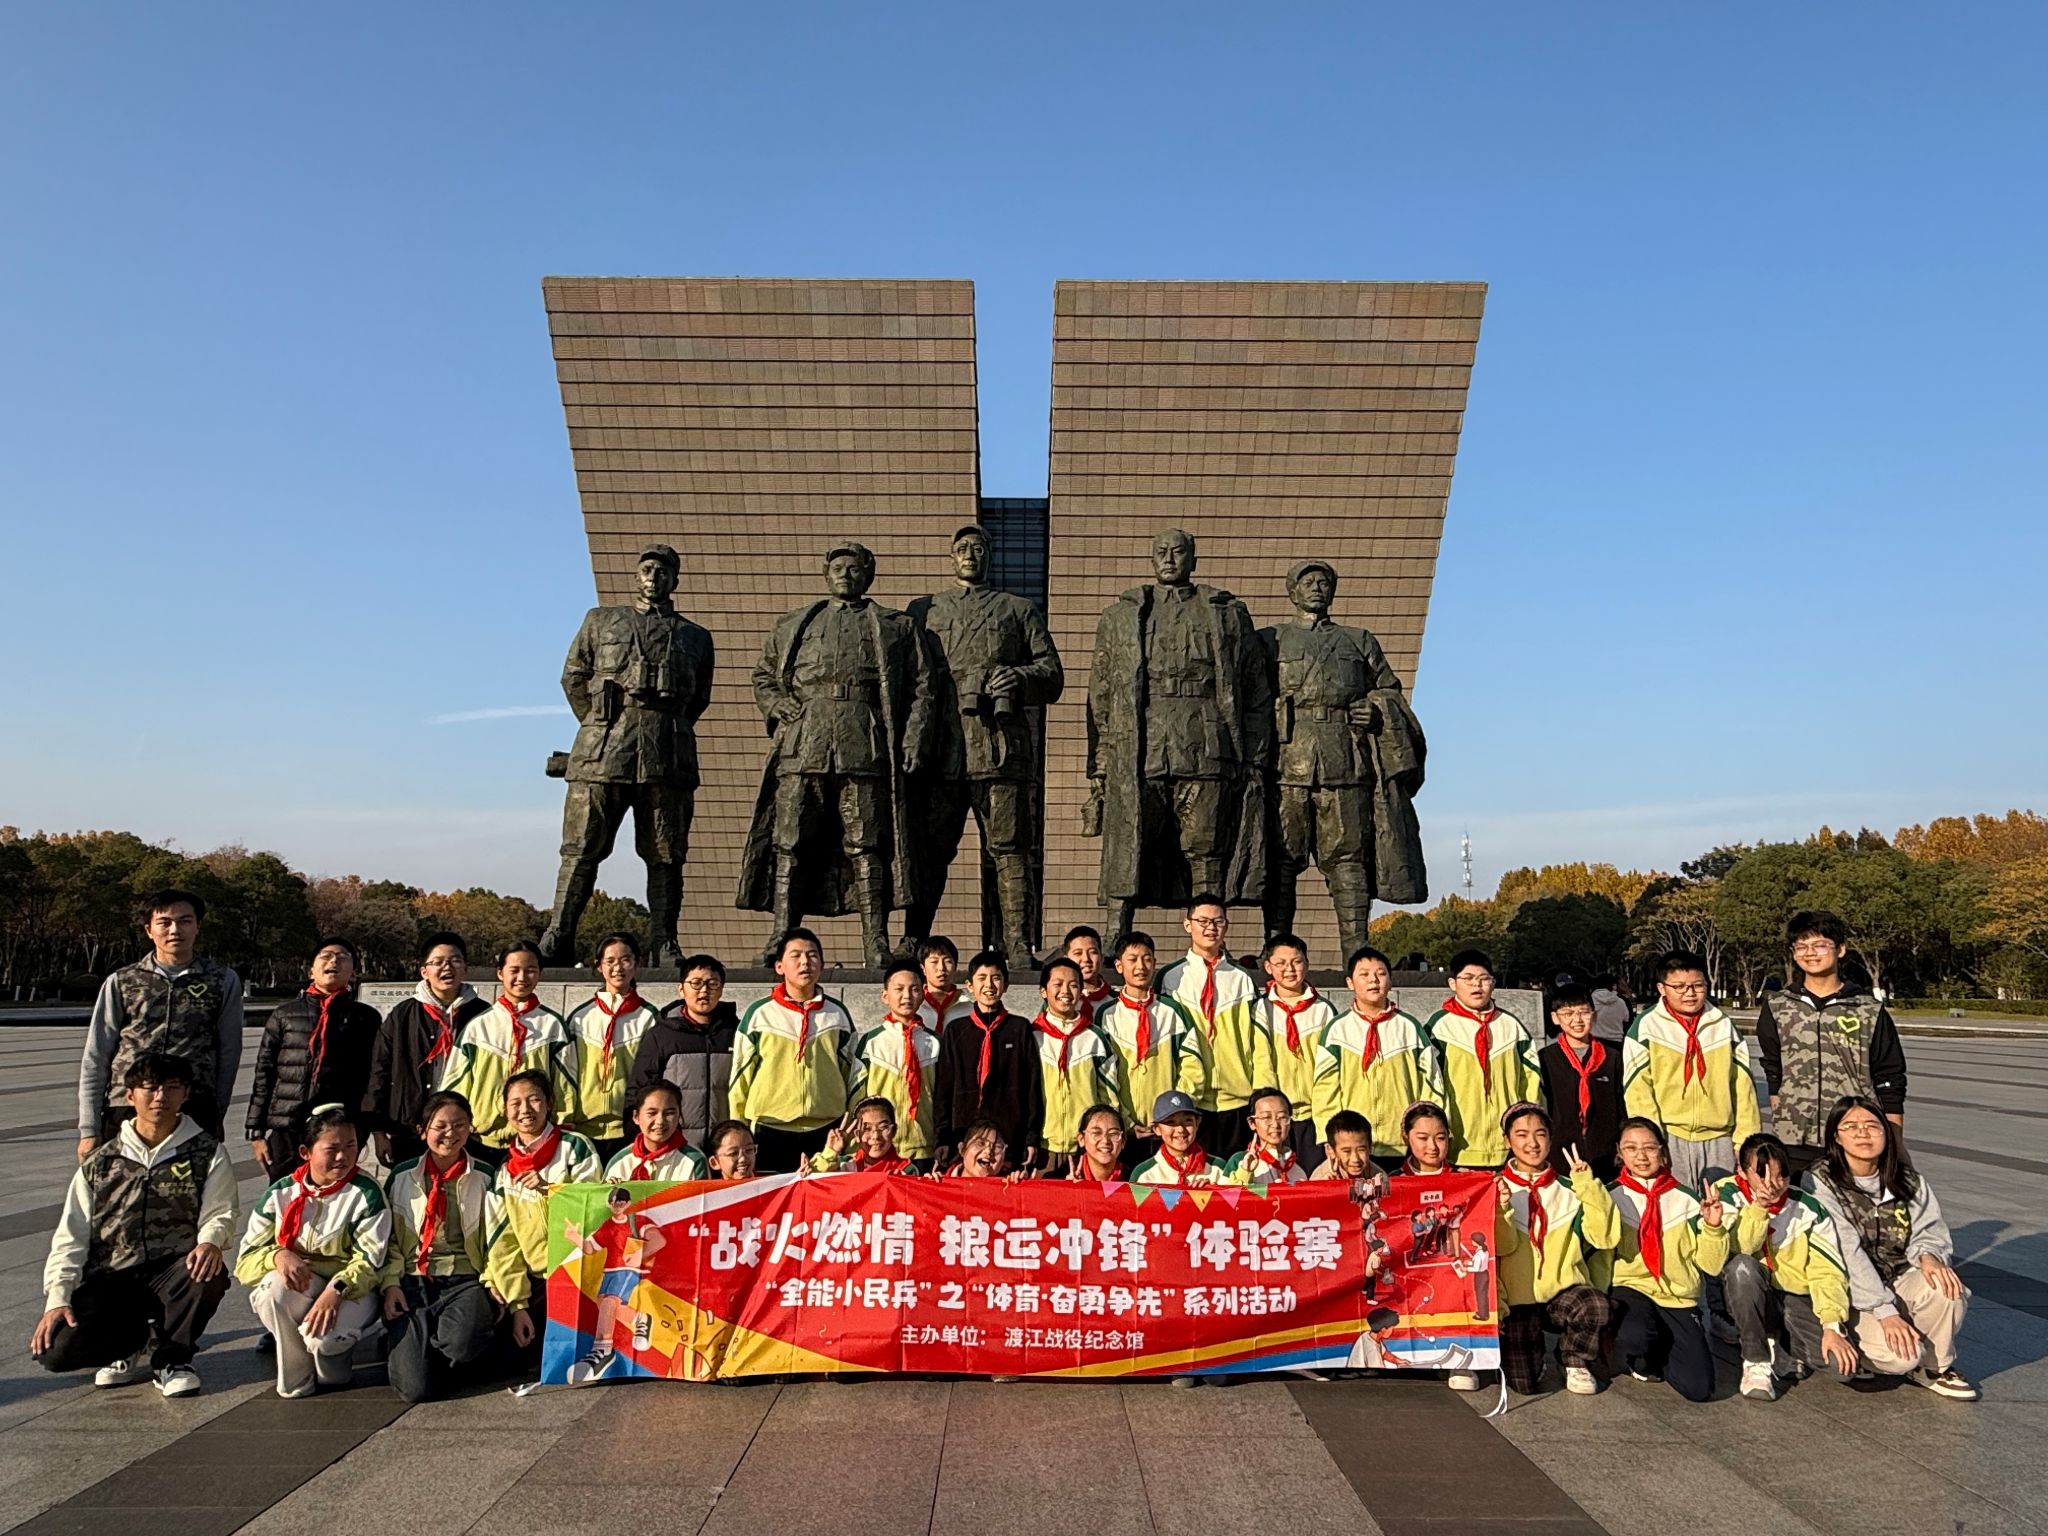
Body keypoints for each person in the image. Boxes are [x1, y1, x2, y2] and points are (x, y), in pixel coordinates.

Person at [737, 540, 936, 965]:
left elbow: (923, 686)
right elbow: (763, 675)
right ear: (826, 575)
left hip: (864, 742)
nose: (845, 574)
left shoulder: (897, 626)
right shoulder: (795, 623)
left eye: (854, 568)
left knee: (867, 843)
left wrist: (913, 737)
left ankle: (875, 941)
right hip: (804, 741)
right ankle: (782, 934)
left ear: (869, 575)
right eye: (838, 567)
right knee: (789, 840)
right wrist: (776, 704)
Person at [1085, 527, 1271, 937]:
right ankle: (1116, 935)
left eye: (1179, 551)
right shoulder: (1120, 615)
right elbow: (1101, 693)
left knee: (1206, 845)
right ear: (1152, 559)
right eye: (1162, 552)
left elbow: (1255, 690)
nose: (1170, 559)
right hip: (1142, 743)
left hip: (1206, 741)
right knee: (1128, 841)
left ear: (1193, 559)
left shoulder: (1227, 613)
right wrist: (1101, 763)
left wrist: (1254, 755)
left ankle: (1210, 934)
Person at [540, 541, 716, 968]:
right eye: (647, 570)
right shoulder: (601, 621)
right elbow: (573, 677)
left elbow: (699, 699)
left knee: (666, 854)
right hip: (602, 753)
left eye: (663, 571)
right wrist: (598, 723)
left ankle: (664, 941)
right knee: (581, 848)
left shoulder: (696, 637)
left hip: (666, 755)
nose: (654, 578)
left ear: (675, 580)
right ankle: (559, 933)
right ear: (636, 576)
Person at [904, 520, 1066, 962]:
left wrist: (1019, 677)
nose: (970, 555)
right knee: (930, 850)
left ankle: (1017, 943)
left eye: (977, 548)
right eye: (962, 548)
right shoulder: (923, 610)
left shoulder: (1017, 609)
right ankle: (913, 936)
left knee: (1010, 850)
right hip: (941, 750)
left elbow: (1052, 675)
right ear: (951, 557)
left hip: (999, 749)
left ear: (989, 556)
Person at [33, 1052, 236, 1397]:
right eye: (150, 1088)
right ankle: (128, 1344)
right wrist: (58, 1298)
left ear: (185, 1094)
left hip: (173, 1272)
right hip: (112, 1278)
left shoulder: (206, 1152)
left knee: (207, 1273)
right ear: (129, 1096)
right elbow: (71, 1235)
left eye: (172, 1087)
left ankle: (173, 1359)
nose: (160, 1097)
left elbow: (221, 1211)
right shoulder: (101, 1161)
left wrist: (211, 1240)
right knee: (56, 1350)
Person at [1258, 557, 1428, 957]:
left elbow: (1389, 691)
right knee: (1283, 861)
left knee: (1349, 860)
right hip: (1287, 764)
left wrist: (1376, 710)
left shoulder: (1358, 640)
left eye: (1323, 582)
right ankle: (1276, 948)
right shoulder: (1270, 640)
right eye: (1308, 582)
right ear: (1292, 592)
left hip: (1346, 763)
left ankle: (1357, 950)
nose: (1317, 588)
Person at [1802, 1096, 1976, 1399]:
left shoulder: (1907, 1179)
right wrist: (1884, 1311)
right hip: (1850, 1293)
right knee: (1901, 1358)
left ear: (1886, 1132)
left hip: (1898, 1276)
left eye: (1872, 1125)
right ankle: (1854, 1343)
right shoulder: (1820, 1182)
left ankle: (1934, 1368)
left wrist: (1929, 1256)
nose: (1863, 1133)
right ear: (1836, 1137)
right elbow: (1846, 1251)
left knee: (1947, 1288)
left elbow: (1929, 1230)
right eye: (1851, 1126)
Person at [235, 1103, 392, 1398]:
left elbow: (370, 1263)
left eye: (351, 1146)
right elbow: (245, 1261)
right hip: (306, 1286)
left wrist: (336, 1290)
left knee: (328, 1358)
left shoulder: (366, 1194)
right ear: (306, 1152)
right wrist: (278, 1255)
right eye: (332, 1149)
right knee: (271, 1291)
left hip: (353, 1291)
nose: (343, 1156)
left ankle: (335, 1347)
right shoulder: (281, 1193)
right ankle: (296, 1375)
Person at [77, 888, 243, 1159]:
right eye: (164, 922)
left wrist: (216, 1111)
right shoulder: (123, 981)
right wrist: (89, 1128)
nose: (175, 930)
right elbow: (97, 1054)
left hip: (192, 1104)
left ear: (197, 927)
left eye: (185, 921)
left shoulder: (222, 980)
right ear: (149, 930)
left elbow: (229, 1052)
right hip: (128, 1104)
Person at [1756, 911, 1909, 1172]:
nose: (1810, 953)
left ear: (1840, 950)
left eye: (1819, 945)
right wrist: (1784, 1117)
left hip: (1853, 1137)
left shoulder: (1867, 1009)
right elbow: (1774, 1070)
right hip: (1794, 1138)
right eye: (1801, 946)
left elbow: (1890, 1077)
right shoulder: (1778, 1006)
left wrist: (1894, 1142)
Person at [1712, 1132, 1858, 1402]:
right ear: (1742, 1172)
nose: (1773, 1184)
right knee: (1742, 1267)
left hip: (1793, 1297)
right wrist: (1759, 1208)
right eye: (1762, 1175)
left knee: (1839, 1367)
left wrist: (1832, 1324)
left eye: (1782, 1175)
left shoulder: (1808, 1208)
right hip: (1749, 1293)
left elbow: (1827, 1271)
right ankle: (1756, 1360)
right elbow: (1742, 1248)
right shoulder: (1726, 1193)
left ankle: (1781, 1344)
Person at [377, 1090, 497, 1403]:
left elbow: (498, 1237)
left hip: (465, 1279)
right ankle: (411, 1347)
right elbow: (388, 1238)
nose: (450, 1134)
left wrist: (494, 1281)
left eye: (459, 1125)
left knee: (461, 1345)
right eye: (440, 1126)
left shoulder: (484, 1176)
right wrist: (390, 1284)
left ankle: (438, 1344)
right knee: (414, 1389)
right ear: (423, 1130)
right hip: (414, 1281)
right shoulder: (402, 1176)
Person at [1493, 1102, 1619, 1397]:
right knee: (1523, 1384)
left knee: (1594, 1304)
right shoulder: (1494, 1188)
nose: (1532, 1143)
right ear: (1507, 1140)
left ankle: (1573, 1358)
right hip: (1516, 1300)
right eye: (1521, 1135)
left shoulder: (1571, 1188)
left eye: (1540, 1134)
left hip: (1562, 1294)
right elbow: (1502, 1246)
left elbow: (1603, 1238)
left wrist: (1588, 1186)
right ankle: (1531, 1354)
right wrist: (1502, 1208)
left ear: (1551, 1139)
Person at [1603, 1117, 1729, 1402]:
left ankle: (1663, 1347)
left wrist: (1713, 1227)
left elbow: (1710, 1266)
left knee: (1699, 1388)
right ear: (1619, 1153)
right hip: (1631, 1289)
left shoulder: (1687, 1199)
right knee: (1635, 1335)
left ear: (1662, 1151)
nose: (1641, 1156)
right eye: (1631, 1148)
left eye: (1649, 1147)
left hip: (1677, 1298)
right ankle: (1637, 1354)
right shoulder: (1610, 1196)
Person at [482, 1071, 603, 1359]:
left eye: (534, 1100)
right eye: (515, 1103)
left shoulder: (576, 1147)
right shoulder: (504, 1171)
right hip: (535, 1280)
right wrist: (518, 1305)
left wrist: (551, 1191)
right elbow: (503, 1241)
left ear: (549, 1103)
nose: (525, 1110)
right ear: (505, 1111)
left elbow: (596, 1208)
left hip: (578, 1273)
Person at [1622, 950, 1760, 1192]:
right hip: (1669, 1137)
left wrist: (1746, 1142)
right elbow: (1638, 1092)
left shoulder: (1723, 1025)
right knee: (1675, 1208)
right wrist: (1652, 1142)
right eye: (1679, 987)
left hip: (1720, 1138)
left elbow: (1743, 1088)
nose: (1690, 993)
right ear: (1662, 988)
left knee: (1724, 1206)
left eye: (1697, 985)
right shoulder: (1645, 1027)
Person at [246, 938, 382, 1179]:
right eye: (326, 956)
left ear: (352, 972)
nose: (334, 961)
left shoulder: (366, 1018)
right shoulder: (285, 1014)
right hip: (288, 1125)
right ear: (311, 970)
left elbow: (374, 1076)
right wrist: (255, 1131)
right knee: (286, 1193)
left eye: (342, 957)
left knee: (336, 1191)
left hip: (339, 1125)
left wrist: (371, 1127)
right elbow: (264, 1072)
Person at [729, 928, 857, 1171]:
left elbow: (853, 1075)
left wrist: (849, 1127)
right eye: (796, 955)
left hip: (827, 1129)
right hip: (769, 1128)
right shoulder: (759, 1014)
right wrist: (739, 1130)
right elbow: (740, 1078)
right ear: (779, 966)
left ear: (822, 965)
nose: (805, 962)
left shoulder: (837, 1014)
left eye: (812, 956)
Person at [364, 931, 487, 1167]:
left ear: (465, 969)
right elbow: (380, 1070)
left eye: (455, 961)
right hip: (410, 1127)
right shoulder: (403, 1014)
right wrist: (379, 1131)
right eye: (438, 962)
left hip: (466, 1129)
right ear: (424, 971)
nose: (447, 967)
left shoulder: (482, 1014)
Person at [1314, 945, 1441, 1165]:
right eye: (1364, 975)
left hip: (1404, 1144)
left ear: (1390, 981)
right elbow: (1324, 1091)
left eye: (1380, 974)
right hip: (1355, 1147)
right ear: (1350, 983)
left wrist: (1428, 1134)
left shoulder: (1409, 1027)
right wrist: (1331, 1140)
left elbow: (1431, 1084)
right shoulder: (1337, 1030)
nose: (1373, 980)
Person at [446, 941, 574, 1154]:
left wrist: (562, 1124)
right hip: (481, 1140)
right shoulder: (479, 1025)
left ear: (540, 974)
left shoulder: (553, 1025)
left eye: (530, 970)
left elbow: (565, 1085)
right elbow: (455, 1083)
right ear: (500, 973)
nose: (522, 978)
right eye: (514, 970)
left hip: (534, 1139)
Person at [1158, 896, 1261, 1159]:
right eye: (1202, 921)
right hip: (1190, 1101)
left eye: (1218, 921)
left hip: (1237, 1099)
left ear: (1227, 926)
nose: (1210, 928)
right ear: (1187, 925)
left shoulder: (1242, 978)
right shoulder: (1171, 978)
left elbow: (1256, 1041)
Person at [1094, 930, 1207, 1162]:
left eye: (1147, 959)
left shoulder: (1173, 1012)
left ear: (1155, 964)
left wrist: (1173, 1115)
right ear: (1119, 966)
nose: (1141, 966)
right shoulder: (1107, 1015)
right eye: (1132, 959)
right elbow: (1104, 1077)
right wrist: (1123, 1121)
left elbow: (1192, 1067)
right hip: (1125, 1132)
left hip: (1167, 1130)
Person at [1426, 950, 1541, 1169]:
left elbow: (1531, 1081)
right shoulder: (1439, 1027)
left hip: (1509, 1147)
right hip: (1458, 1147)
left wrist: (1527, 1128)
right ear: (1453, 983)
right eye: (1468, 979)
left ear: (1493, 983)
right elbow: (1429, 1085)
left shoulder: (1512, 1026)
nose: (1476, 985)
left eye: (1484, 979)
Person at [934, 949, 1043, 1170]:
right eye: (982, 978)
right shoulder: (956, 1030)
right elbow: (944, 1087)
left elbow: (1031, 1086)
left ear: (1006, 985)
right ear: (970, 986)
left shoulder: (1019, 1028)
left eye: (996, 978)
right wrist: (942, 1137)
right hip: (964, 1133)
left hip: (1009, 1136)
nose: (989, 985)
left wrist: (1031, 1137)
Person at [563, 931, 663, 1155]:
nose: (618, 968)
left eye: (625, 960)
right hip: (583, 1126)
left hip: (630, 1127)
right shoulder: (580, 1017)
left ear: (636, 964)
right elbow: (568, 1073)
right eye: (610, 961)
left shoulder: (649, 1017)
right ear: (599, 966)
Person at [629, 953, 737, 1151]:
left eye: (712, 984)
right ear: (681, 989)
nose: (704, 990)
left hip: (725, 1147)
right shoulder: (662, 1035)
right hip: (676, 1146)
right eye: (696, 983)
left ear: (721, 990)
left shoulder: (736, 1033)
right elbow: (640, 1089)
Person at [564, 1186, 668, 1385]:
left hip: (629, 1270)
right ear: (609, 1204)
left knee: (609, 1302)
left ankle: (602, 1351)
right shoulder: (607, 1226)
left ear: (628, 1203)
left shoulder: (637, 1221)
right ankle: (641, 1319)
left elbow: (658, 1240)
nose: (618, 1205)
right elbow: (590, 1248)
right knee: (604, 1303)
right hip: (609, 1271)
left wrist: (640, 1254)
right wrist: (575, 1238)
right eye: (614, 1202)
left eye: (621, 1202)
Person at [1032, 956, 1126, 1175]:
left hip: (1086, 1147)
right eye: (1058, 984)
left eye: (1073, 985)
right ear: (1043, 991)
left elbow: (1109, 1095)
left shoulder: (1095, 1038)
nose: (1065, 991)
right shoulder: (1032, 1036)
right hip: (1043, 1146)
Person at [846, 959, 943, 1165]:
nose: (907, 996)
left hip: (924, 1148)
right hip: (879, 1147)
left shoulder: (935, 1043)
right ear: (885, 996)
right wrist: (855, 1145)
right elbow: (856, 1098)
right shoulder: (871, 1042)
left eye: (914, 989)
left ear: (923, 994)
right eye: (899, 989)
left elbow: (943, 1097)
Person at [1255, 934, 1337, 1168]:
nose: (1289, 969)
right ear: (1268, 967)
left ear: (1307, 964)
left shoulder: (1323, 1010)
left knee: (1315, 1178)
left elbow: (1329, 1071)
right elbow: (1261, 1063)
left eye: (1296, 962)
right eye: (1280, 963)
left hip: (1314, 1116)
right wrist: (1271, 1110)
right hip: (1277, 1118)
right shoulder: (1260, 1009)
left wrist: (1325, 1117)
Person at [1538, 983, 1621, 1180]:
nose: (1577, 1019)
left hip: (1605, 1152)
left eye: (1584, 1012)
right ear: (1555, 1018)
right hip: (1561, 1150)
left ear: (1594, 1015)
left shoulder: (1613, 1056)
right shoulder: (1545, 1058)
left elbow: (1621, 1104)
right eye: (1568, 1013)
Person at [605, 1080, 710, 1181]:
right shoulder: (620, 1162)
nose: (660, 1121)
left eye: (669, 1113)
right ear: (636, 1116)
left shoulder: (694, 1160)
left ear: (679, 1115)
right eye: (652, 1113)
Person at [1223, 1086, 1312, 1186]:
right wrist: (1245, 1172)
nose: (1275, 1124)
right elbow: (1227, 1194)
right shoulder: (1240, 1160)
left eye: (1282, 1117)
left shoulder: (1298, 1164)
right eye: (1266, 1117)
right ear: (1252, 1123)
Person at [1129, 1091, 1220, 1186]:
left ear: (1197, 1123)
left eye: (1187, 1120)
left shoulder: (1217, 1168)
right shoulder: (1144, 1174)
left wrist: (1212, 1192)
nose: (1180, 1129)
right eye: (1171, 1122)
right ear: (1157, 1129)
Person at [812, 1096, 916, 1175]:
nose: (875, 1136)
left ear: (894, 1131)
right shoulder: (845, 1165)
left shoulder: (906, 1170)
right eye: (867, 1129)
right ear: (857, 1135)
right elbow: (814, 1181)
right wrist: (831, 1152)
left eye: (883, 1127)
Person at [917, 937, 971, 1031]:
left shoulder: (969, 1006)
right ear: (923, 968)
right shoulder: (915, 1006)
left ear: (955, 966)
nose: (941, 968)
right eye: (934, 962)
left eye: (947, 961)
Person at [1310, 1109, 1379, 1183]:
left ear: (1370, 1148)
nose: (1355, 1159)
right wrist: (1326, 1187)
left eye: (1361, 1150)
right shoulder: (1320, 1179)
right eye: (1347, 1151)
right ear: (1330, 1151)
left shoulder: (1377, 1177)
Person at [1396, 1102, 1456, 1181]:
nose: (1433, 1147)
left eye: (1440, 1138)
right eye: (1423, 1138)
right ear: (1406, 1138)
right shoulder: (1392, 1181)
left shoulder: (1464, 1178)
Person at [1069, 1104, 1128, 1182]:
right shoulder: (1060, 1177)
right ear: (1081, 1139)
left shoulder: (1134, 1179)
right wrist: (1068, 1188)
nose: (1105, 1141)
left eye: (1113, 1134)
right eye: (1096, 1133)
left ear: (1123, 1142)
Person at [946, 1118, 1020, 1180]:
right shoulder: (941, 1184)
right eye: (980, 1143)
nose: (988, 1151)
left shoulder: (1008, 1186)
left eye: (997, 1146)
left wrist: (1022, 1185)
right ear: (962, 1149)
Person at [1064, 925, 1116, 1013]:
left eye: (1093, 952)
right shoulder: (1057, 1000)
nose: (1086, 959)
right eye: (1078, 953)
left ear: (1101, 958)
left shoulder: (1117, 1000)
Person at [1588, 975, 1632, 1045]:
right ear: (1613, 986)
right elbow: (1626, 1020)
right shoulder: (1621, 1002)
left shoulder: (1590, 1001)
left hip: (1595, 1041)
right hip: (1616, 1042)